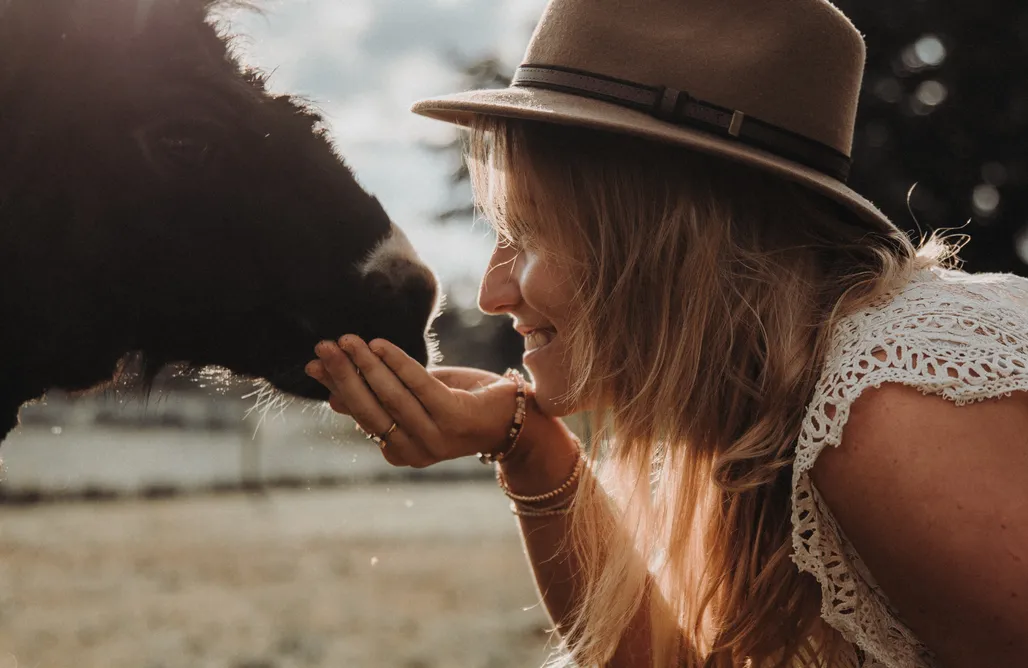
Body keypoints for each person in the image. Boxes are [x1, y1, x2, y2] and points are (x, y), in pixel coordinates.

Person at [305, 0, 1028, 665]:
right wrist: (523, 443)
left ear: (662, 243)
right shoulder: (771, 405)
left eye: (526, 236)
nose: (493, 295)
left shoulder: (886, 405)